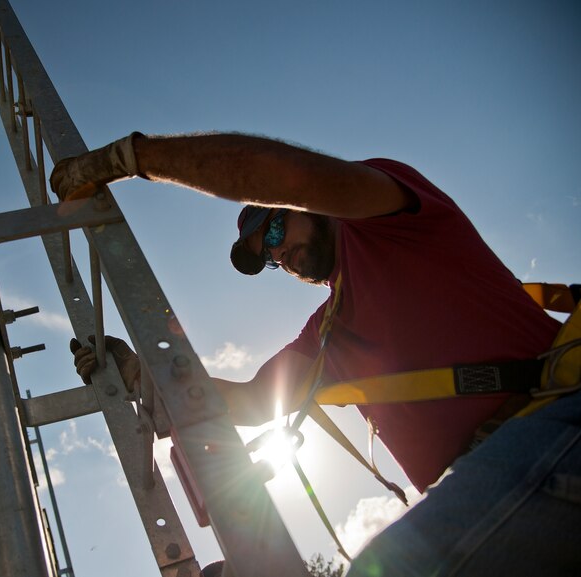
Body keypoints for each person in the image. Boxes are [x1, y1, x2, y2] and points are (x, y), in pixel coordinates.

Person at [50, 133, 579, 576]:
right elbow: (253, 400)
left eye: (276, 229)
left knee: (401, 565)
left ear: (302, 206)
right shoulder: (327, 331)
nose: (279, 252)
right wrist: (135, 371)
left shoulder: (388, 218)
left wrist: (130, 159)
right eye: (270, 257)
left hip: (552, 419)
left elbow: (286, 175)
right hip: (492, 486)